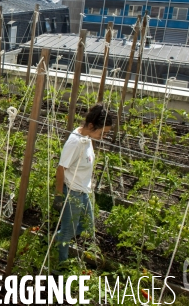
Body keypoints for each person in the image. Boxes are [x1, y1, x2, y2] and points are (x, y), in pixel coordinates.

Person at [54, 104, 113, 263]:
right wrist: (59, 195)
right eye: (103, 132)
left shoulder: (87, 138)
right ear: (92, 126)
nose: (104, 136)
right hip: (72, 192)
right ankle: (62, 265)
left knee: (88, 227)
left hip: (83, 191)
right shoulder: (75, 142)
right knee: (68, 231)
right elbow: (60, 169)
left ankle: (56, 240)